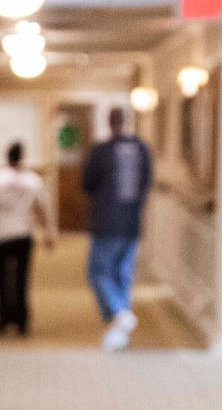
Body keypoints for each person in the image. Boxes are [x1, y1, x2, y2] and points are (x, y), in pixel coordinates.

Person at [81, 107, 153, 351]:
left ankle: (119, 313)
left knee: (98, 273)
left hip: (106, 222)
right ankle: (119, 330)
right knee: (123, 273)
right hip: (131, 222)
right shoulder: (142, 150)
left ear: (110, 122)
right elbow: (146, 184)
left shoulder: (101, 151)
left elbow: (87, 183)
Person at [0, 142, 55, 337]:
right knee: (22, 278)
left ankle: (2, 321)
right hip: (24, 234)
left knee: (2, 279)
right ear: (22, 157)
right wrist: (47, 233)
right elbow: (40, 209)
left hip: (3, 235)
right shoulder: (33, 180)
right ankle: (22, 321)